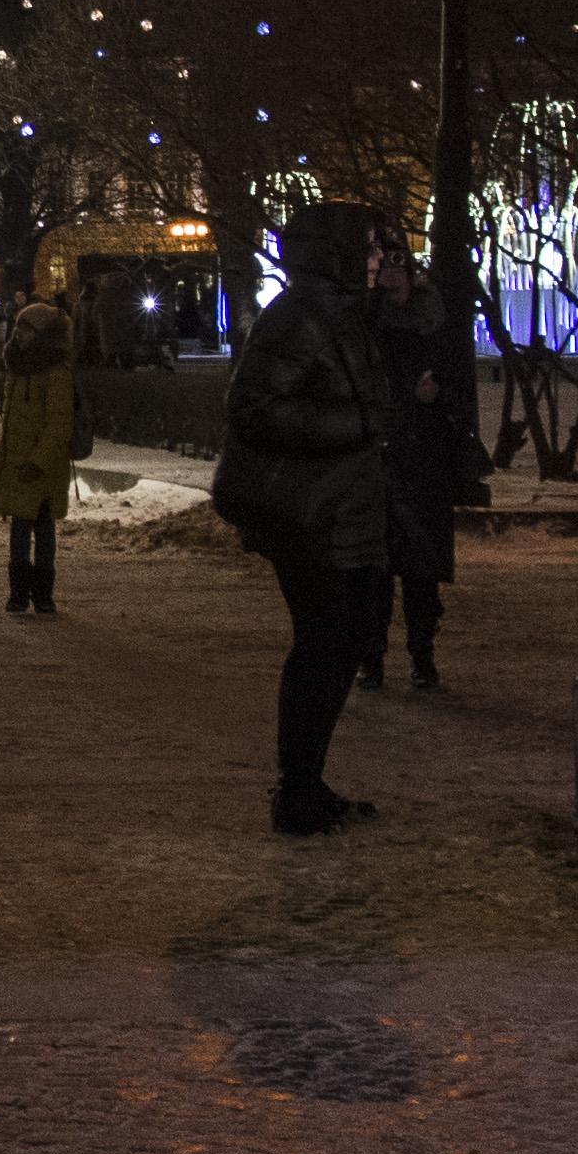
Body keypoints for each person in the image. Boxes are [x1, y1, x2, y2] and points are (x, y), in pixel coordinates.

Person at [216, 203, 398, 836]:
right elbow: (254, 409)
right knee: (325, 643)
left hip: (343, 510)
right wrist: (360, 427)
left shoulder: (340, 314)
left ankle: (306, 785)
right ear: (339, 253)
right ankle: (297, 791)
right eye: (370, 247)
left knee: (344, 641)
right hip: (312, 516)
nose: (379, 259)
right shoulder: (301, 317)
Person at [363, 255, 473, 693]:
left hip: (424, 459)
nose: (388, 276)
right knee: (373, 572)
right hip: (379, 459)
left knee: (420, 571)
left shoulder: (435, 326)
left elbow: (459, 390)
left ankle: (422, 658)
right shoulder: (368, 325)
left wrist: (436, 394)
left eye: (396, 268)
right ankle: (371, 660)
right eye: (382, 268)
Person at [0, 289, 81, 616]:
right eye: (19, 328)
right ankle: (18, 593)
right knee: (19, 531)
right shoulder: (18, 368)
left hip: (42, 468)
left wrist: (38, 462)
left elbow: (58, 425)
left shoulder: (55, 374)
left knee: (42, 531)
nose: (19, 334)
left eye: (27, 329)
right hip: (18, 464)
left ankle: (42, 594)